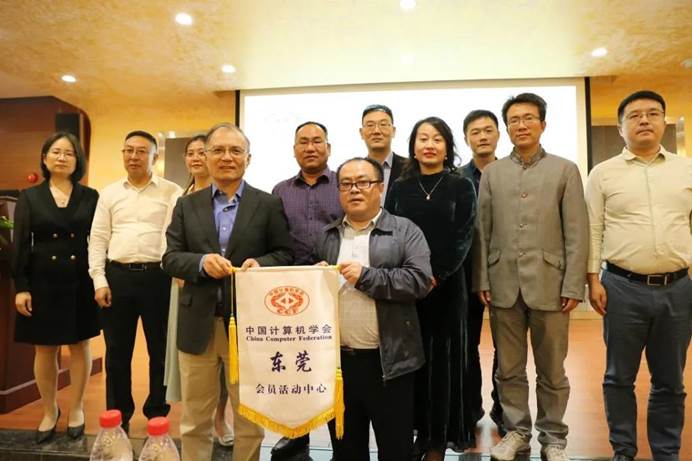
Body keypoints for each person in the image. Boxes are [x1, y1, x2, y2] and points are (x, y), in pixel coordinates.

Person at [162, 122, 293, 461]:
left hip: (250, 327)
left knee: (249, 418)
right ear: (205, 157)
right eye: (218, 150)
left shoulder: (268, 204)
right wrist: (201, 262)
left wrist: (261, 264)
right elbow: (170, 258)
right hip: (198, 325)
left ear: (248, 158)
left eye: (235, 150)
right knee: (195, 418)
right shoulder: (187, 205)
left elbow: (285, 253)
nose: (227, 157)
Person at [474, 93, 588, 461]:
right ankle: (517, 432)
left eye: (528, 118)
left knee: (552, 369)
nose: (521, 125)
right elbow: (482, 230)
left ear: (543, 124)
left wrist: (573, 284)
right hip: (502, 283)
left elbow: (577, 232)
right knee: (508, 369)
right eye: (514, 120)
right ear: (506, 128)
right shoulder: (492, 173)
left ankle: (554, 438)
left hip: (551, 284)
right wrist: (482, 279)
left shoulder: (564, 170)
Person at [586, 90, 692, 461]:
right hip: (621, 287)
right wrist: (592, 279)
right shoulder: (603, 173)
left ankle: (666, 451)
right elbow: (593, 229)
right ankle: (623, 450)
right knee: (618, 377)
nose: (644, 120)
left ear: (664, 121)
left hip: (678, 288)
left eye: (652, 113)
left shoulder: (686, 170)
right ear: (621, 128)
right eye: (634, 115)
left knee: (671, 380)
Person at [313, 157, 432, 461]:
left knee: (396, 451)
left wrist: (366, 277)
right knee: (346, 451)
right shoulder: (327, 236)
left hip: (390, 364)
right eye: (346, 184)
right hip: (338, 365)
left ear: (380, 188)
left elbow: (419, 281)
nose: (354, 189)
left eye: (363, 182)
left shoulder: (405, 231)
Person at [386, 117, 476, 460]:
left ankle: (438, 439)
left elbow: (462, 237)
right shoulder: (399, 187)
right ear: (413, 146)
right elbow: (391, 232)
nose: (429, 145)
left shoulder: (460, 185)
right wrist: (408, 277)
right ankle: (418, 434)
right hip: (406, 289)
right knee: (412, 364)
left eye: (437, 139)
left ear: (447, 147)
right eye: (422, 138)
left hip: (446, 287)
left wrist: (434, 275)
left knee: (443, 365)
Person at [88, 130, 182, 433]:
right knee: (117, 352)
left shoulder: (172, 191)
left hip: (159, 277)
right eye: (128, 150)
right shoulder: (109, 193)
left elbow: (176, 237)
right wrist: (99, 280)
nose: (133, 156)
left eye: (141, 151)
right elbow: (98, 238)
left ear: (155, 156)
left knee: (160, 350)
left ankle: (157, 411)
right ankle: (118, 415)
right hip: (118, 277)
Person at [12, 132, 100, 443]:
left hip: (80, 279)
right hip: (42, 281)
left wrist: (100, 279)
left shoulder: (90, 196)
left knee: (80, 345)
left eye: (69, 153)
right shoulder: (30, 196)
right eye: (56, 152)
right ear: (45, 158)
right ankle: (49, 410)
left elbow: (99, 240)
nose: (62, 157)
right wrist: (21, 286)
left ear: (78, 161)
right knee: (45, 348)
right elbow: (20, 243)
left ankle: (76, 408)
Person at [269, 121, 343, 459]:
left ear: (328, 147)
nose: (310, 147)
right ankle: (296, 435)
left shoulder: (343, 184)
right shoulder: (280, 190)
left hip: (337, 287)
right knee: (295, 363)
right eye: (303, 142)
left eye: (317, 141)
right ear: (294, 149)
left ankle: (340, 434)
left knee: (334, 364)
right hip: (292, 291)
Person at [163, 135, 234, 447]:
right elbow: (170, 249)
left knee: (227, 368)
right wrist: (192, 267)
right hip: (188, 291)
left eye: (202, 152)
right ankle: (202, 423)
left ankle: (220, 419)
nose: (196, 158)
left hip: (231, 301)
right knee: (195, 370)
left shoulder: (241, 199)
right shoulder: (181, 199)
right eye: (190, 153)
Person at [459, 110, 504, 435]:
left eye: (488, 130)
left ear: (498, 134)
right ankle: (470, 409)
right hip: (465, 274)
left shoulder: (511, 174)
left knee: (507, 348)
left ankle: (504, 410)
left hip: (505, 272)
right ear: (466, 138)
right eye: (475, 132)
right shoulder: (457, 179)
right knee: (467, 345)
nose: (483, 136)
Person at [359, 104, 407, 204]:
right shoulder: (356, 170)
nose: (376, 131)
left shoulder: (410, 168)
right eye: (370, 125)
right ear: (361, 133)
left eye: (383, 124)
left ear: (393, 131)